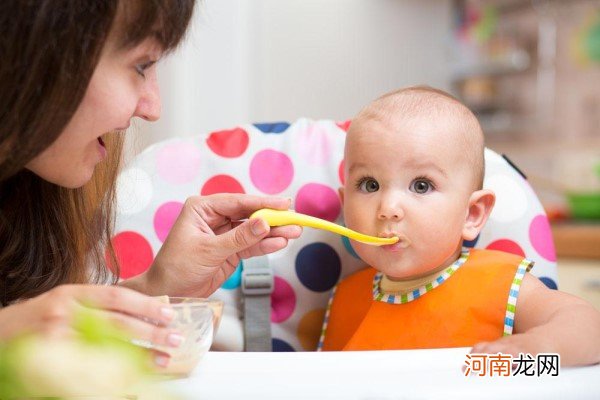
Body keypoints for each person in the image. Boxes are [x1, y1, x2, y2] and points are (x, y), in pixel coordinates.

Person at [0, 0, 301, 368]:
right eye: (141, 65)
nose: (152, 107)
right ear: (31, 48)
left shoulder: (31, 198)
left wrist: (154, 289)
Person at [318, 86, 600, 367]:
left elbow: (590, 329)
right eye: (370, 185)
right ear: (345, 206)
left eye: (421, 185)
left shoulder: (499, 285)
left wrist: (537, 348)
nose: (388, 209)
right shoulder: (346, 299)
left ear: (472, 214)